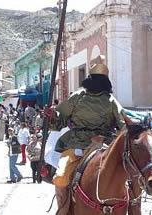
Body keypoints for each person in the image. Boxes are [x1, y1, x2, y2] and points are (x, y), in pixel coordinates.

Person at [44, 55, 125, 208]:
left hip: (104, 145)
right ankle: (63, 209)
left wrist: (131, 130)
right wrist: (53, 115)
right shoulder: (77, 97)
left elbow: (122, 123)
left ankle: (133, 206)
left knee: (128, 179)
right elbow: (60, 119)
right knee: (61, 178)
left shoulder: (111, 101)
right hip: (76, 144)